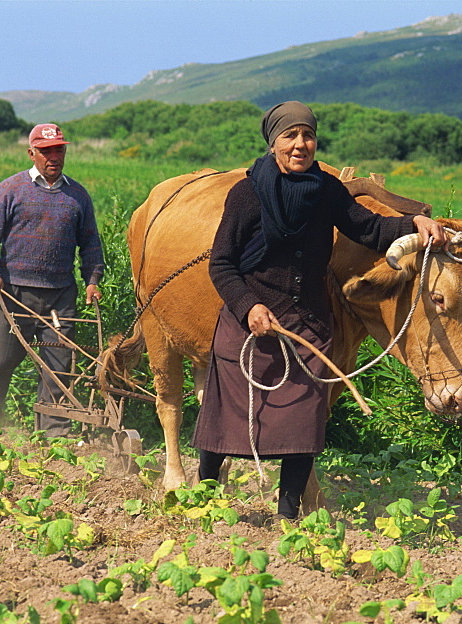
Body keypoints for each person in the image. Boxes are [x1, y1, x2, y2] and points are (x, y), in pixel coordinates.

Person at [191, 101, 448, 519]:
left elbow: (368, 228)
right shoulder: (247, 194)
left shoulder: (326, 191)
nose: (300, 144)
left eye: (307, 135)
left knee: (303, 422)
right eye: (290, 136)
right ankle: (202, 496)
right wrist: (248, 305)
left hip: (307, 324)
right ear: (273, 143)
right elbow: (221, 264)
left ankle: (288, 515)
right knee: (226, 419)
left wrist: (412, 224)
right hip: (249, 324)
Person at [0, 123, 104, 437]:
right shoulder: (10, 189)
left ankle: (54, 431)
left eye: (58, 149)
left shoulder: (77, 196)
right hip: (13, 291)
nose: (53, 156)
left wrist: (92, 279)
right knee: (1, 358)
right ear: (32, 153)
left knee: (59, 363)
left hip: (60, 295)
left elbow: (90, 244)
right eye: (45, 151)